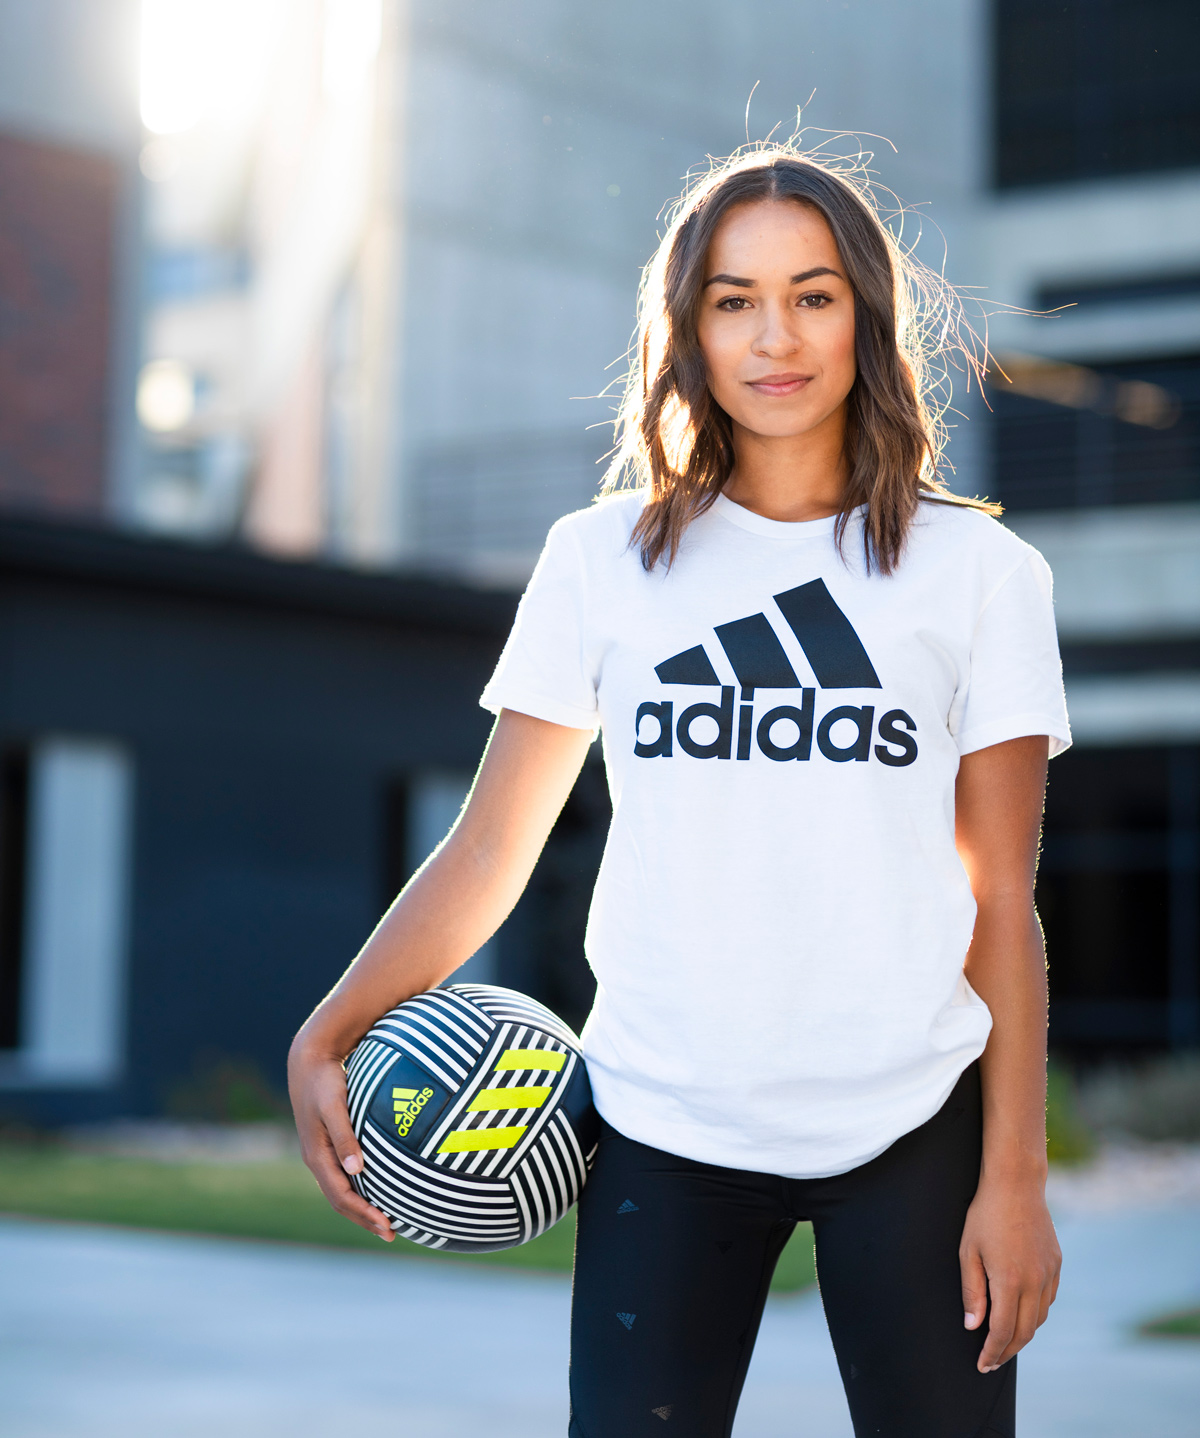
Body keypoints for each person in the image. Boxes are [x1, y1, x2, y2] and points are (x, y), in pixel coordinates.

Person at [288, 145, 1070, 1437]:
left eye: (814, 295)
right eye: (733, 298)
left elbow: (1003, 902)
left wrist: (1017, 1176)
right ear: (687, 326)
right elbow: (492, 849)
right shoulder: (600, 560)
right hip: (663, 1123)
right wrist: (330, 1026)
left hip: (914, 1123)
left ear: (867, 316)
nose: (776, 335)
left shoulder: (979, 575)